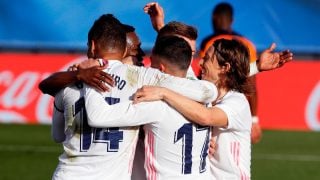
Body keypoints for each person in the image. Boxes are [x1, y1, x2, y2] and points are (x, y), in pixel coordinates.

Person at [50, 14, 218, 180]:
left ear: (93, 46)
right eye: (137, 50)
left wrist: (82, 78)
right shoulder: (143, 84)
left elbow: (58, 135)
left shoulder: (69, 83)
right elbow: (207, 92)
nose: (141, 56)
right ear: (124, 50)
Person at [83, 36, 214, 179]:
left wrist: (88, 78)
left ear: (161, 69)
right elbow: (208, 90)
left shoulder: (154, 105)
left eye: (152, 65)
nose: (149, 69)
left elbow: (99, 117)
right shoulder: (206, 102)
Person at [131, 39, 255, 179]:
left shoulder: (237, 102)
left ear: (225, 68)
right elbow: (177, 69)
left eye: (207, 59)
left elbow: (206, 117)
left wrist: (163, 93)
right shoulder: (200, 93)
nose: (200, 63)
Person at [200, 2, 260, 143]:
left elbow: (204, 78)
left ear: (214, 18)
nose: (201, 63)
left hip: (213, 107)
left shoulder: (210, 43)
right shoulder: (246, 43)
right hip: (238, 110)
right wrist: (254, 119)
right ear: (232, 20)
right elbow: (252, 85)